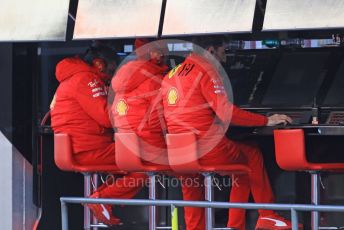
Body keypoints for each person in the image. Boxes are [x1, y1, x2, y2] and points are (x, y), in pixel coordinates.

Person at [161, 36, 303, 230]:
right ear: (211, 51)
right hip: (207, 149)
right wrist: (266, 120)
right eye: (223, 51)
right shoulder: (206, 69)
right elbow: (226, 111)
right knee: (250, 157)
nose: (225, 58)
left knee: (191, 185)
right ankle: (264, 216)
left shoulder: (172, 74)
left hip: (178, 151)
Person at [111, 38, 205, 230]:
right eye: (157, 51)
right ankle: (196, 227)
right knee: (190, 174)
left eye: (164, 49)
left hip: (127, 145)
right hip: (149, 143)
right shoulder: (154, 78)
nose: (162, 54)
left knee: (143, 171)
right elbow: (159, 116)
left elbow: (111, 113)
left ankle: (101, 198)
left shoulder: (125, 76)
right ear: (145, 52)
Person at [51, 43, 146, 226]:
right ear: (100, 64)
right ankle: (103, 198)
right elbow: (106, 117)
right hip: (89, 150)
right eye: (113, 69)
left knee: (129, 163)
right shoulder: (86, 79)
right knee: (147, 160)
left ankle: (101, 198)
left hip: (80, 149)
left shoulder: (72, 78)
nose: (113, 74)